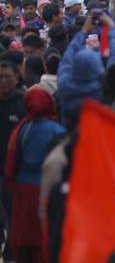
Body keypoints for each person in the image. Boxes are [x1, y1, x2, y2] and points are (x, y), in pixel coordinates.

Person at [4, 87, 65, 263]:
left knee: (24, 237)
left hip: (23, 189)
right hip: (47, 188)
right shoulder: (56, 130)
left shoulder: (21, 129)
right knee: (43, 236)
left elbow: (12, 162)